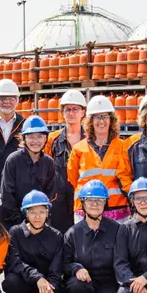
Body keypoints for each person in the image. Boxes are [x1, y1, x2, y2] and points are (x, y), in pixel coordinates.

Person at [63, 181, 123, 293]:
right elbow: (64, 263)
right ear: (83, 203)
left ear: (105, 203)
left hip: (107, 281)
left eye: (99, 200)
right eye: (90, 200)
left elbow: (123, 259)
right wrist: (77, 268)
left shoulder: (116, 229)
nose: (94, 204)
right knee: (76, 286)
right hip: (83, 281)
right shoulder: (73, 233)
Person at [3, 190, 66, 293]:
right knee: (10, 281)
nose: (37, 217)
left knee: (61, 291)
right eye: (32, 212)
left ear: (48, 213)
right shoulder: (15, 232)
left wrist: (50, 287)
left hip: (46, 285)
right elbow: (15, 263)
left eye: (42, 212)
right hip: (24, 285)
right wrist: (37, 278)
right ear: (25, 213)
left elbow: (56, 268)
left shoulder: (56, 236)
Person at [66, 95, 134, 221]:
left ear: (111, 120)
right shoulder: (78, 149)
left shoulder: (122, 147)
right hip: (85, 209)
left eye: (105, 116)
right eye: (97, 117)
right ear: (90, 121)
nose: (101, 121)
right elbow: (73, 179)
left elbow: (126, 177)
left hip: (116, 210)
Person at [0, 115, 61, 230]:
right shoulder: (13, 160)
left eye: (39, 137)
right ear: (24, 139)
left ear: (45, 138)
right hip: (15, 224)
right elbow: (7, 196)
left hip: (40, 223)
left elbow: (50, 195)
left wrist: (39, 219)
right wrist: (23, 222)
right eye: (31, 137)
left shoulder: (49, 163)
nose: (35, 141)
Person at [45, 89, 86, 233]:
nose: (71, 113)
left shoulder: (90, 139)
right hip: (58, 200)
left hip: (84, 198)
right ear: (62, 112)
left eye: (75, 109)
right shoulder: (52, 140)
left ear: (83, 112)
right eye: (67, 109)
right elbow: (45, 169)